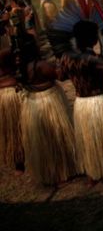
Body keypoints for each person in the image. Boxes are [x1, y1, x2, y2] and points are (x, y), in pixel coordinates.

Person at [57, 21, 103, 183]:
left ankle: (93, 174)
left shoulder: (66, 57)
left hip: (80, 104)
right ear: (94, 39)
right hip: (98, 103)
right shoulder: (95, 60)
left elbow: (61, 76)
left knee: (89, 141)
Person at [19, 33, 77, 185]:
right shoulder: (42, 65)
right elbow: (62, 76)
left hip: (32, 102)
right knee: (56, 135)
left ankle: (50, 172)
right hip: (49, 101)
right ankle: (62, 170)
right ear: (33, 48)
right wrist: (61, 63)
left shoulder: (20, 67)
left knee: (43, 140)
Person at [0, 46, 23, 172]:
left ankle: (19, 163)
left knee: (12, 130)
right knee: (13, 129)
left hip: (8, 93)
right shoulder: (6, 51)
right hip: (9, 93)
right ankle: (19, 160)